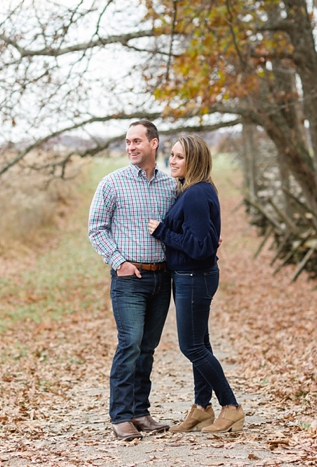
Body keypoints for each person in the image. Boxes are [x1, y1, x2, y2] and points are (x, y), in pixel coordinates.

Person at [148, 135, 245, 433]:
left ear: (195, 160)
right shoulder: (192, 190)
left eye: (179, 157)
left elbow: (201, 246)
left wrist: (163, 232)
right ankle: (202, 408)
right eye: (172, 155)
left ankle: (231, 406)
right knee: (200, 343)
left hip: (194, 277)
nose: (172, 161)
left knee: (192, 346)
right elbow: (204, 239)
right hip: (191, 276)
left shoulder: (195, 194)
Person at [88, 120, 178, 441]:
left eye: (137, 141)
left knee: (148, 348)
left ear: (154, 144)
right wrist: (119, 262)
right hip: (129, 279)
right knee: (130, 345)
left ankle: (141, 412)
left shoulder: (170, 186)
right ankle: (121, 416)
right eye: (128, 142)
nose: (131, 147)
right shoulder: (112, 184)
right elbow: (96, 228)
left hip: (160, 278)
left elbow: (178, 228)